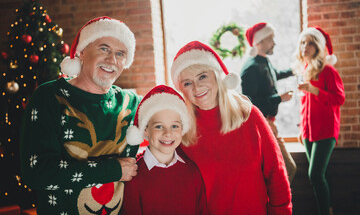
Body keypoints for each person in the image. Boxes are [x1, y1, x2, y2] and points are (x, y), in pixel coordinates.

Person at [20, 16, 142, 214]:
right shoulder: (50, 97)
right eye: (104, 48)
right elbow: (37, 172)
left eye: (121, 53)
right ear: (82, 52)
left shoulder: (131, 103)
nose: (112, 60)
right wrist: (113, 170)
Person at [170, 41, 292, 214]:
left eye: (202, 76)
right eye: (187, 83)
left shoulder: (249, 115)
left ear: (217, 76)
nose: (197, 87)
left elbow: (276, 174)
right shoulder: (181, 129)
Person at [121, 85, 209, 215]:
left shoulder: (192, 172)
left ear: (182, 129)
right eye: (159, 126)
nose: (168, 133)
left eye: (174, 126)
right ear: (145, 129)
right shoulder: (134, 176)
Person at [294, 26, 345, 215]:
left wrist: (315, 90)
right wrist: (302, 128)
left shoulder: (328, 71)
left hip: (326, 131)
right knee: (318, 175)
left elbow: (339, 99)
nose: (304, 46)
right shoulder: (306, 69)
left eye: (309, 43)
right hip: (309, 131)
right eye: (302, 42)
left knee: (314, 174)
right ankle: (328, 209)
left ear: (317, 47)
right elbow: (305, 105)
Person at [240, 22, 297, 182]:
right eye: (271, 38)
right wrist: (280, 98)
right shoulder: (251, 68)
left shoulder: (264, 62)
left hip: (270, 124)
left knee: (283, 171)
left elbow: (274, 74)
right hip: (262, 126)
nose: (275, 42)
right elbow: (252, 104)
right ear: (259, 42)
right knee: (288, 168)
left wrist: (293, 71)